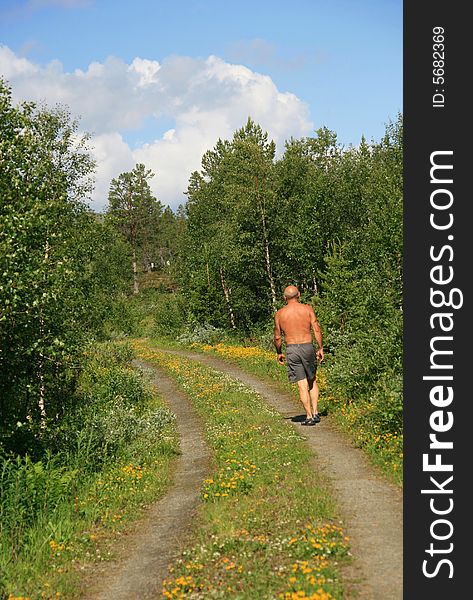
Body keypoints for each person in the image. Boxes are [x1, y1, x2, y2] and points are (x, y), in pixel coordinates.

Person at [273, 285, 324, 426]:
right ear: (299, 295)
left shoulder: (280, 314)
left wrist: (279, 352)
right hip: (307, 346)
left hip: (292, 349)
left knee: (302, 384)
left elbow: (277, 337)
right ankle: (315, 413)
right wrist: (320, 348)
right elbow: (317, 330)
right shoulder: (307, 309)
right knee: (312, 380)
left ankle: (308, 416)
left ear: (284, 298)